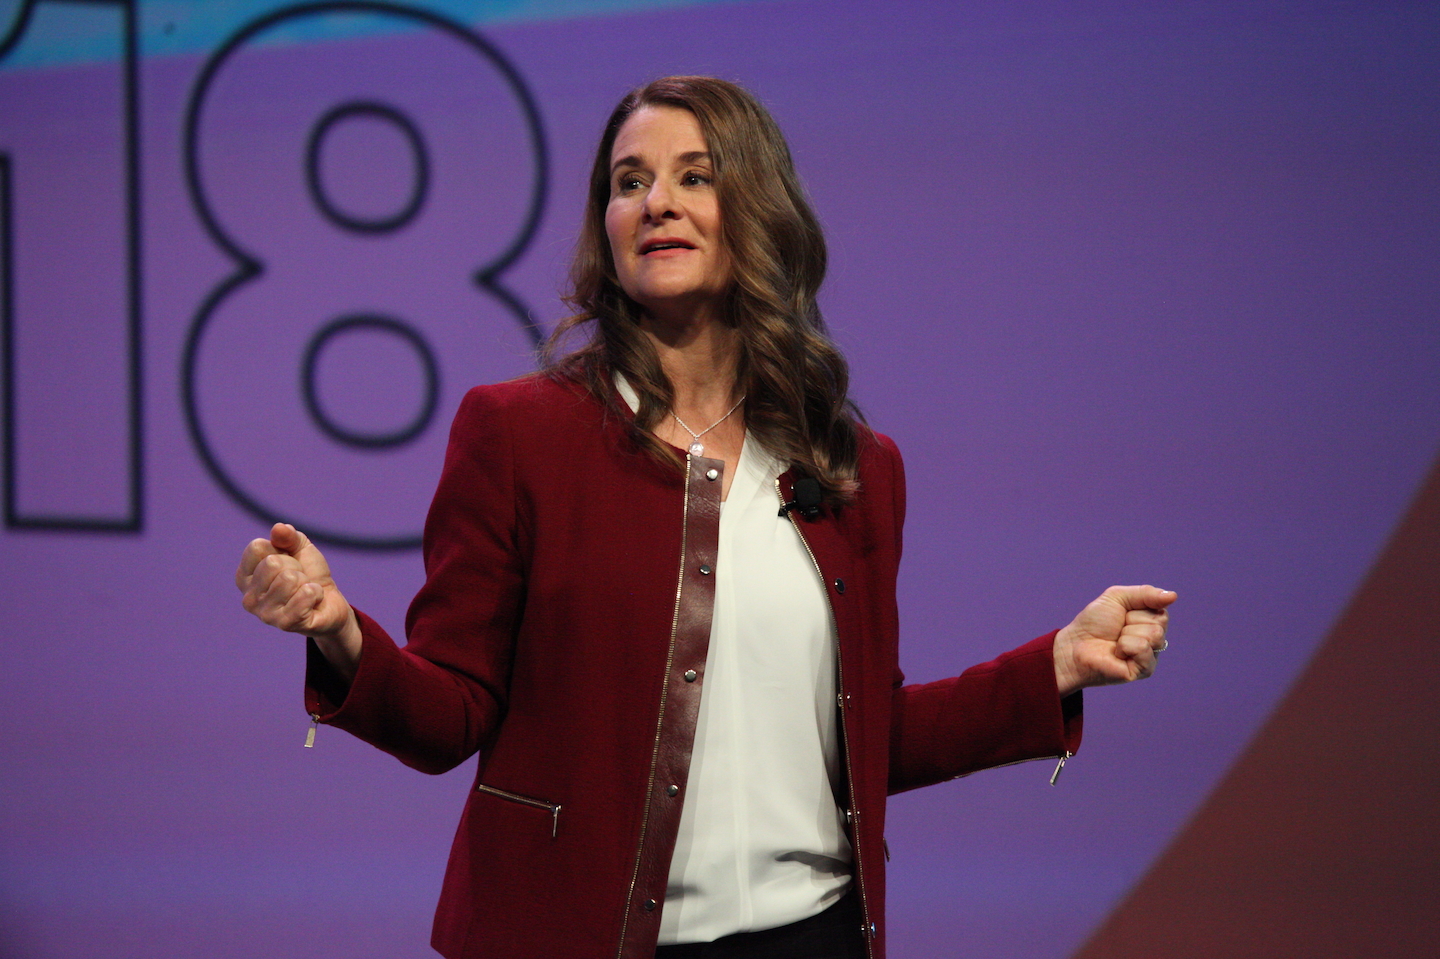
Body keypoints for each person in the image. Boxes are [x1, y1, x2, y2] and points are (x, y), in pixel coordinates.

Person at [236, 76, 1174, 959]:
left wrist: (1049, 666)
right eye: (629, 182)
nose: (656, 203)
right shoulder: (517, 433)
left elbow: (868, 735)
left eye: (695, 177)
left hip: (812, 935)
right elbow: (451, 713)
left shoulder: (850, 465)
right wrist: (339, 633)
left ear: (757, 213)